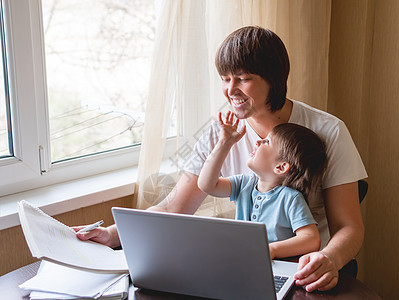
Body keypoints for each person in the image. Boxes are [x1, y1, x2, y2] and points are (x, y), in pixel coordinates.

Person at [75, 26, 367, 292]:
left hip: (304, 271)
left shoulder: (328, 131)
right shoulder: (221, 131)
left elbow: (349, 227)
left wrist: (328, 259)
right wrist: (112, 234)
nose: (230, 90)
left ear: (274, 80)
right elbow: (176, 207)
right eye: (225, 79)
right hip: (241, 265)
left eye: (243, 78)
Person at [197, 111, 326, 260]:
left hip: (274, 266)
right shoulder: (244, 183)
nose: (258, 142)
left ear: (281, 167)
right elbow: (207, 185)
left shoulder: (290, 198)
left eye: (267, 142)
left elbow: (311, 239)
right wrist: (224, 144)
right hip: (243, 261)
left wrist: (271, 250)